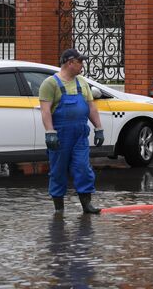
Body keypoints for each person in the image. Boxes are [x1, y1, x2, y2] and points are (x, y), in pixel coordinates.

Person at [40, 49, 105, 214]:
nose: (82, 65)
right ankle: (59, 210)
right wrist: (50, 132)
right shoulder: (50, 83)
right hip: (60, 135)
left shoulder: (82, 82)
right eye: (80, 62)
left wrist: (99, 128)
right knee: (58, 171)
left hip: (80, 135)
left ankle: (87, 205)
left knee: (83, 168)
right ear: (70, 63)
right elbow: (45, 110)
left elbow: (91, 107)